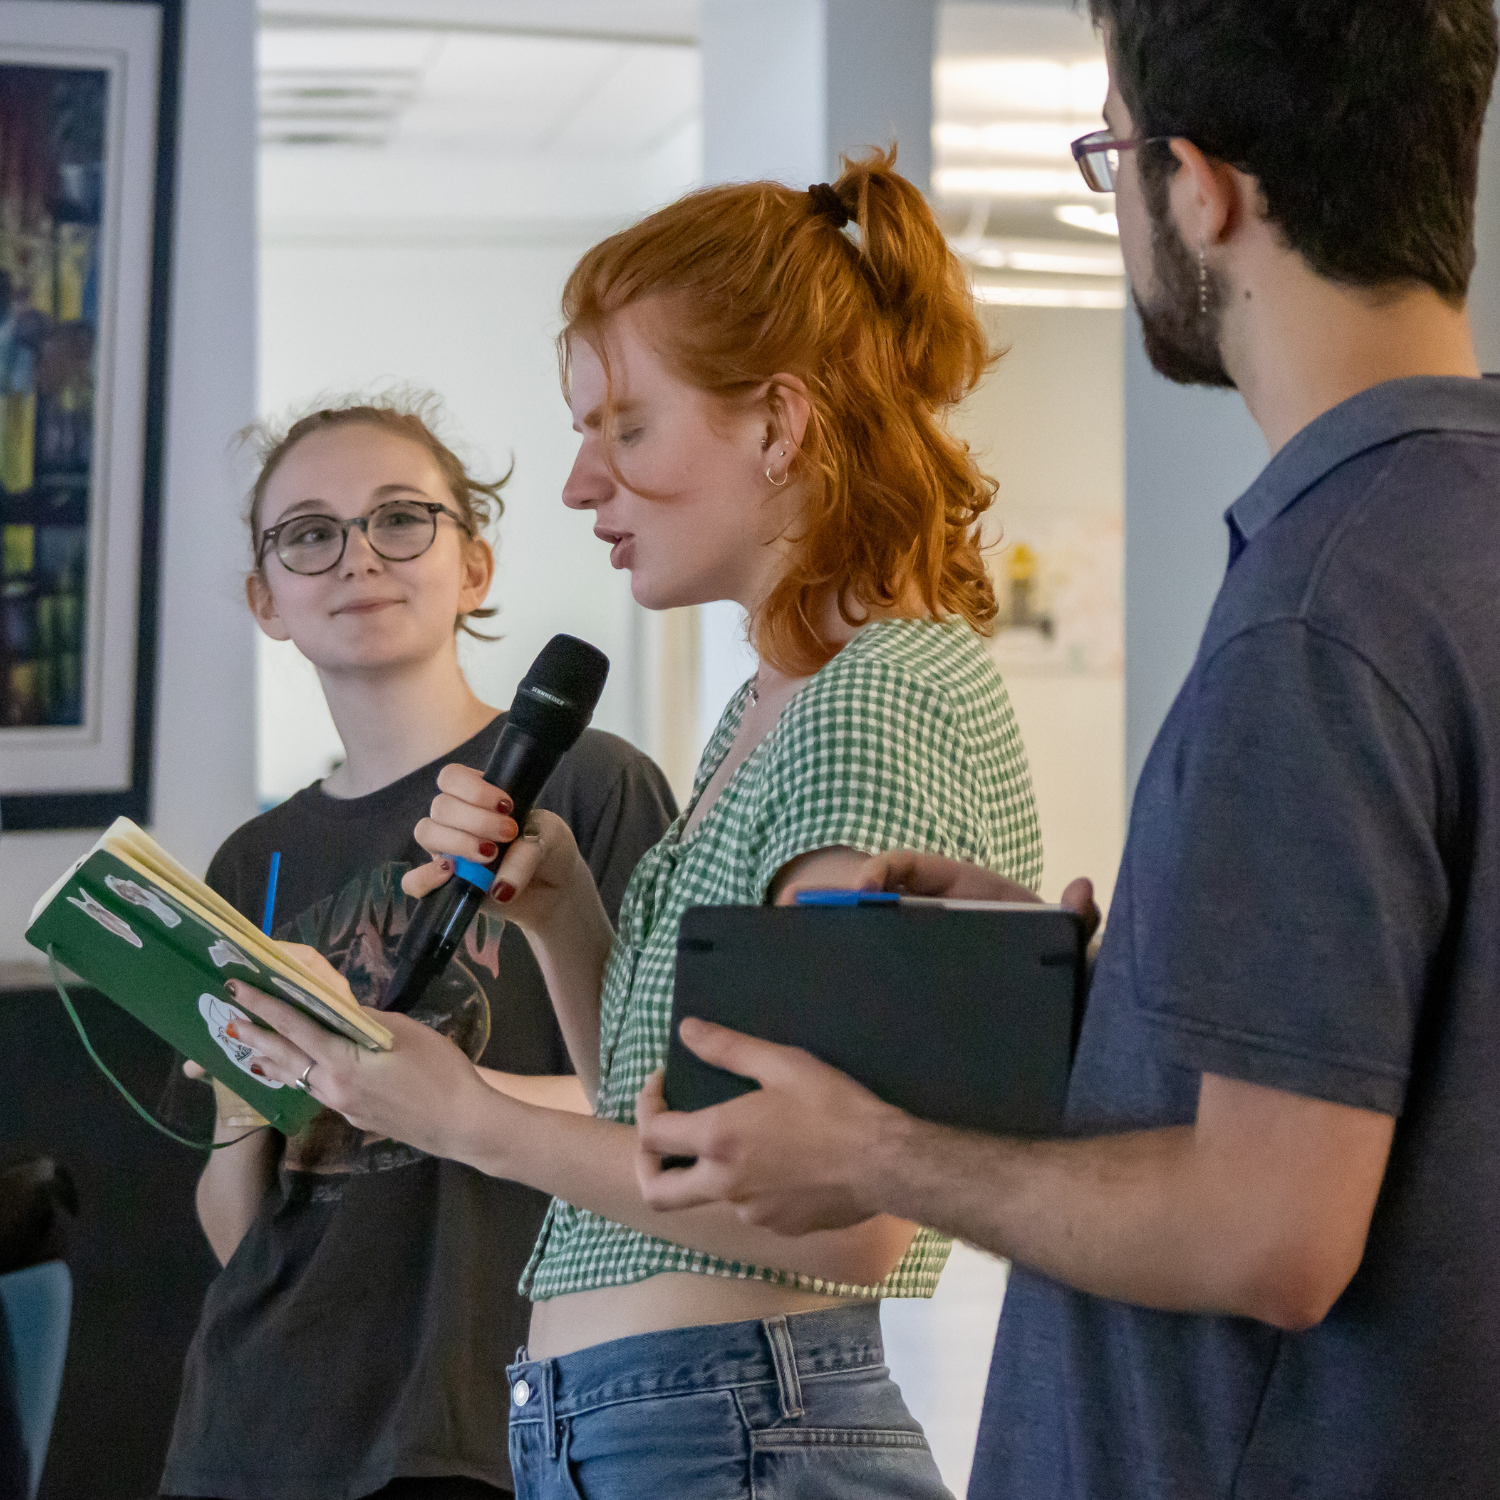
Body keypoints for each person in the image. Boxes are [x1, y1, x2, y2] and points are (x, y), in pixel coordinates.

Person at [631, 3, 1500, 1497]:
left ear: (1201, 187)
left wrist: (879, 1153)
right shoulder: (1441, 540)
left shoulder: (1319, 608)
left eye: (1111, 155)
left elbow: (1268, 1234)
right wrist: (1119, 1002)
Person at [223, 152, 1043, 1498]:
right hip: (649, 1424)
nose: (577, 485)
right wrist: (562, 916)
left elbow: (840, 1220)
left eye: (625, 427)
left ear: (778, 425)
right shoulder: (773, 709)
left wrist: (467, 1116)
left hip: (724, 1426)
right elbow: (671, 1112)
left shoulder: (878, 701)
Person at [157, 398, 677, 1500]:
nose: (356, 559)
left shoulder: (587, 787)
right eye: (309, 533)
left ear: (473, 565)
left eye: (401, 519)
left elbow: (658, 1110)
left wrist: (433, 1090)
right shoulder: (255, 862)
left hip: (493, 1414)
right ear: (268, 599)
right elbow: (242, 1222)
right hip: (257, 1425)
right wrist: (255, 1108)